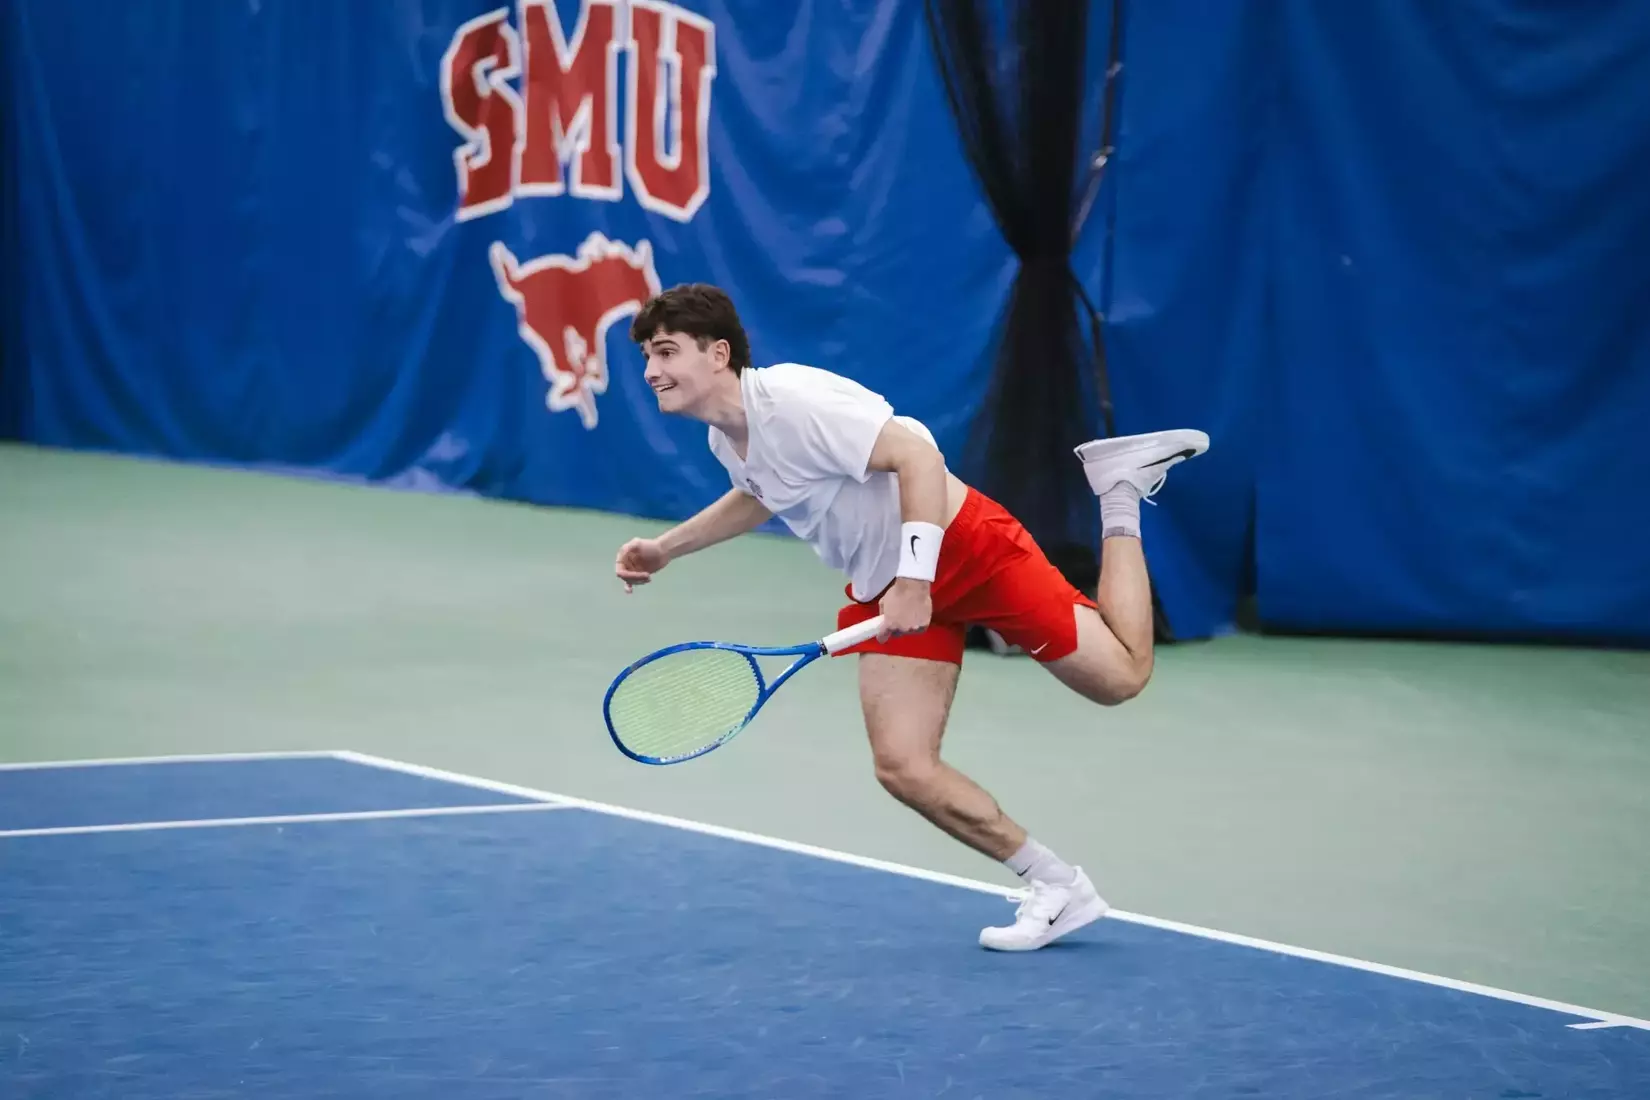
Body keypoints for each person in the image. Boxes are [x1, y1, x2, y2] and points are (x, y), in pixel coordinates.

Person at [613, 284, 1208, 951]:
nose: (651, 371)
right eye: (645, 356)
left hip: (963, 547)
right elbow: (758, 497)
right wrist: (666, 549)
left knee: (1119, 678)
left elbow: (916, 456)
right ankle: (1056, 885)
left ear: (718, 353)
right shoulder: (731, 439)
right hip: (886, 585)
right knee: (903, 765)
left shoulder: (795, 403)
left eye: (665, 352)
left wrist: (915, 577)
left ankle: (1119, 489)